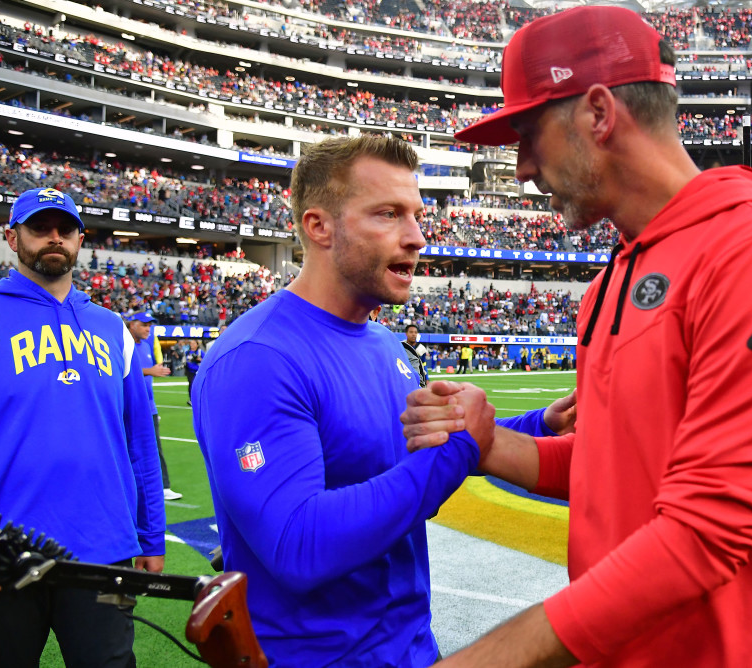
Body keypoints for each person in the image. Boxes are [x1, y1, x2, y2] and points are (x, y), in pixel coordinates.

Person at [405, 7, 752, 665]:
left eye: (529, 133)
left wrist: (492, 656)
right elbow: (609, 467)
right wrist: (486, 439)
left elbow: (708, 530)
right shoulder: (617, 273)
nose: (523, 166)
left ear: (597, 113)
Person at [190, 135, 573, 666]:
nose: (417, 237)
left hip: (413, 648)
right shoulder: (257, 360)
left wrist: (537, 425)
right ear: (318, 226)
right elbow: (299, 544)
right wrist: (460, 451)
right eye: (389, 214)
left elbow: (400, 447)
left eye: (416, 215)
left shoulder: (384, 341)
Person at [0, 187, 165, 667]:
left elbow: (140, 443)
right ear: (12, 236)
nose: (54, 238)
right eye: (39, 228)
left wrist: (151, 536)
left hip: (104, 549)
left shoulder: (112, 328)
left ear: (81, 239)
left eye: (65, 229)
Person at [126, 311, 181, 501]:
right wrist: (150, 371)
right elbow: (118, 371)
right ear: (132, 325)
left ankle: (163, 486)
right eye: (143, 325)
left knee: (155, 448)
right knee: (128, 448)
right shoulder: (124, 345)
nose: (147, 329)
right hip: (130, 407)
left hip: (149, 407)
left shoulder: (146, 346)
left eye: (149, 325)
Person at [184, 339, 202, 406]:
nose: (192, 345)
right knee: (191, 384)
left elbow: (206, 360)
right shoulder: (187, 352)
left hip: (198, 371)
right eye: (191, 343)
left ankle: (198, 399)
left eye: (194, 343)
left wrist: (199, 359)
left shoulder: (200, 352)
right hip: (190, 371)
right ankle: (191, 399)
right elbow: (185, 360)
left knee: (197, 385)